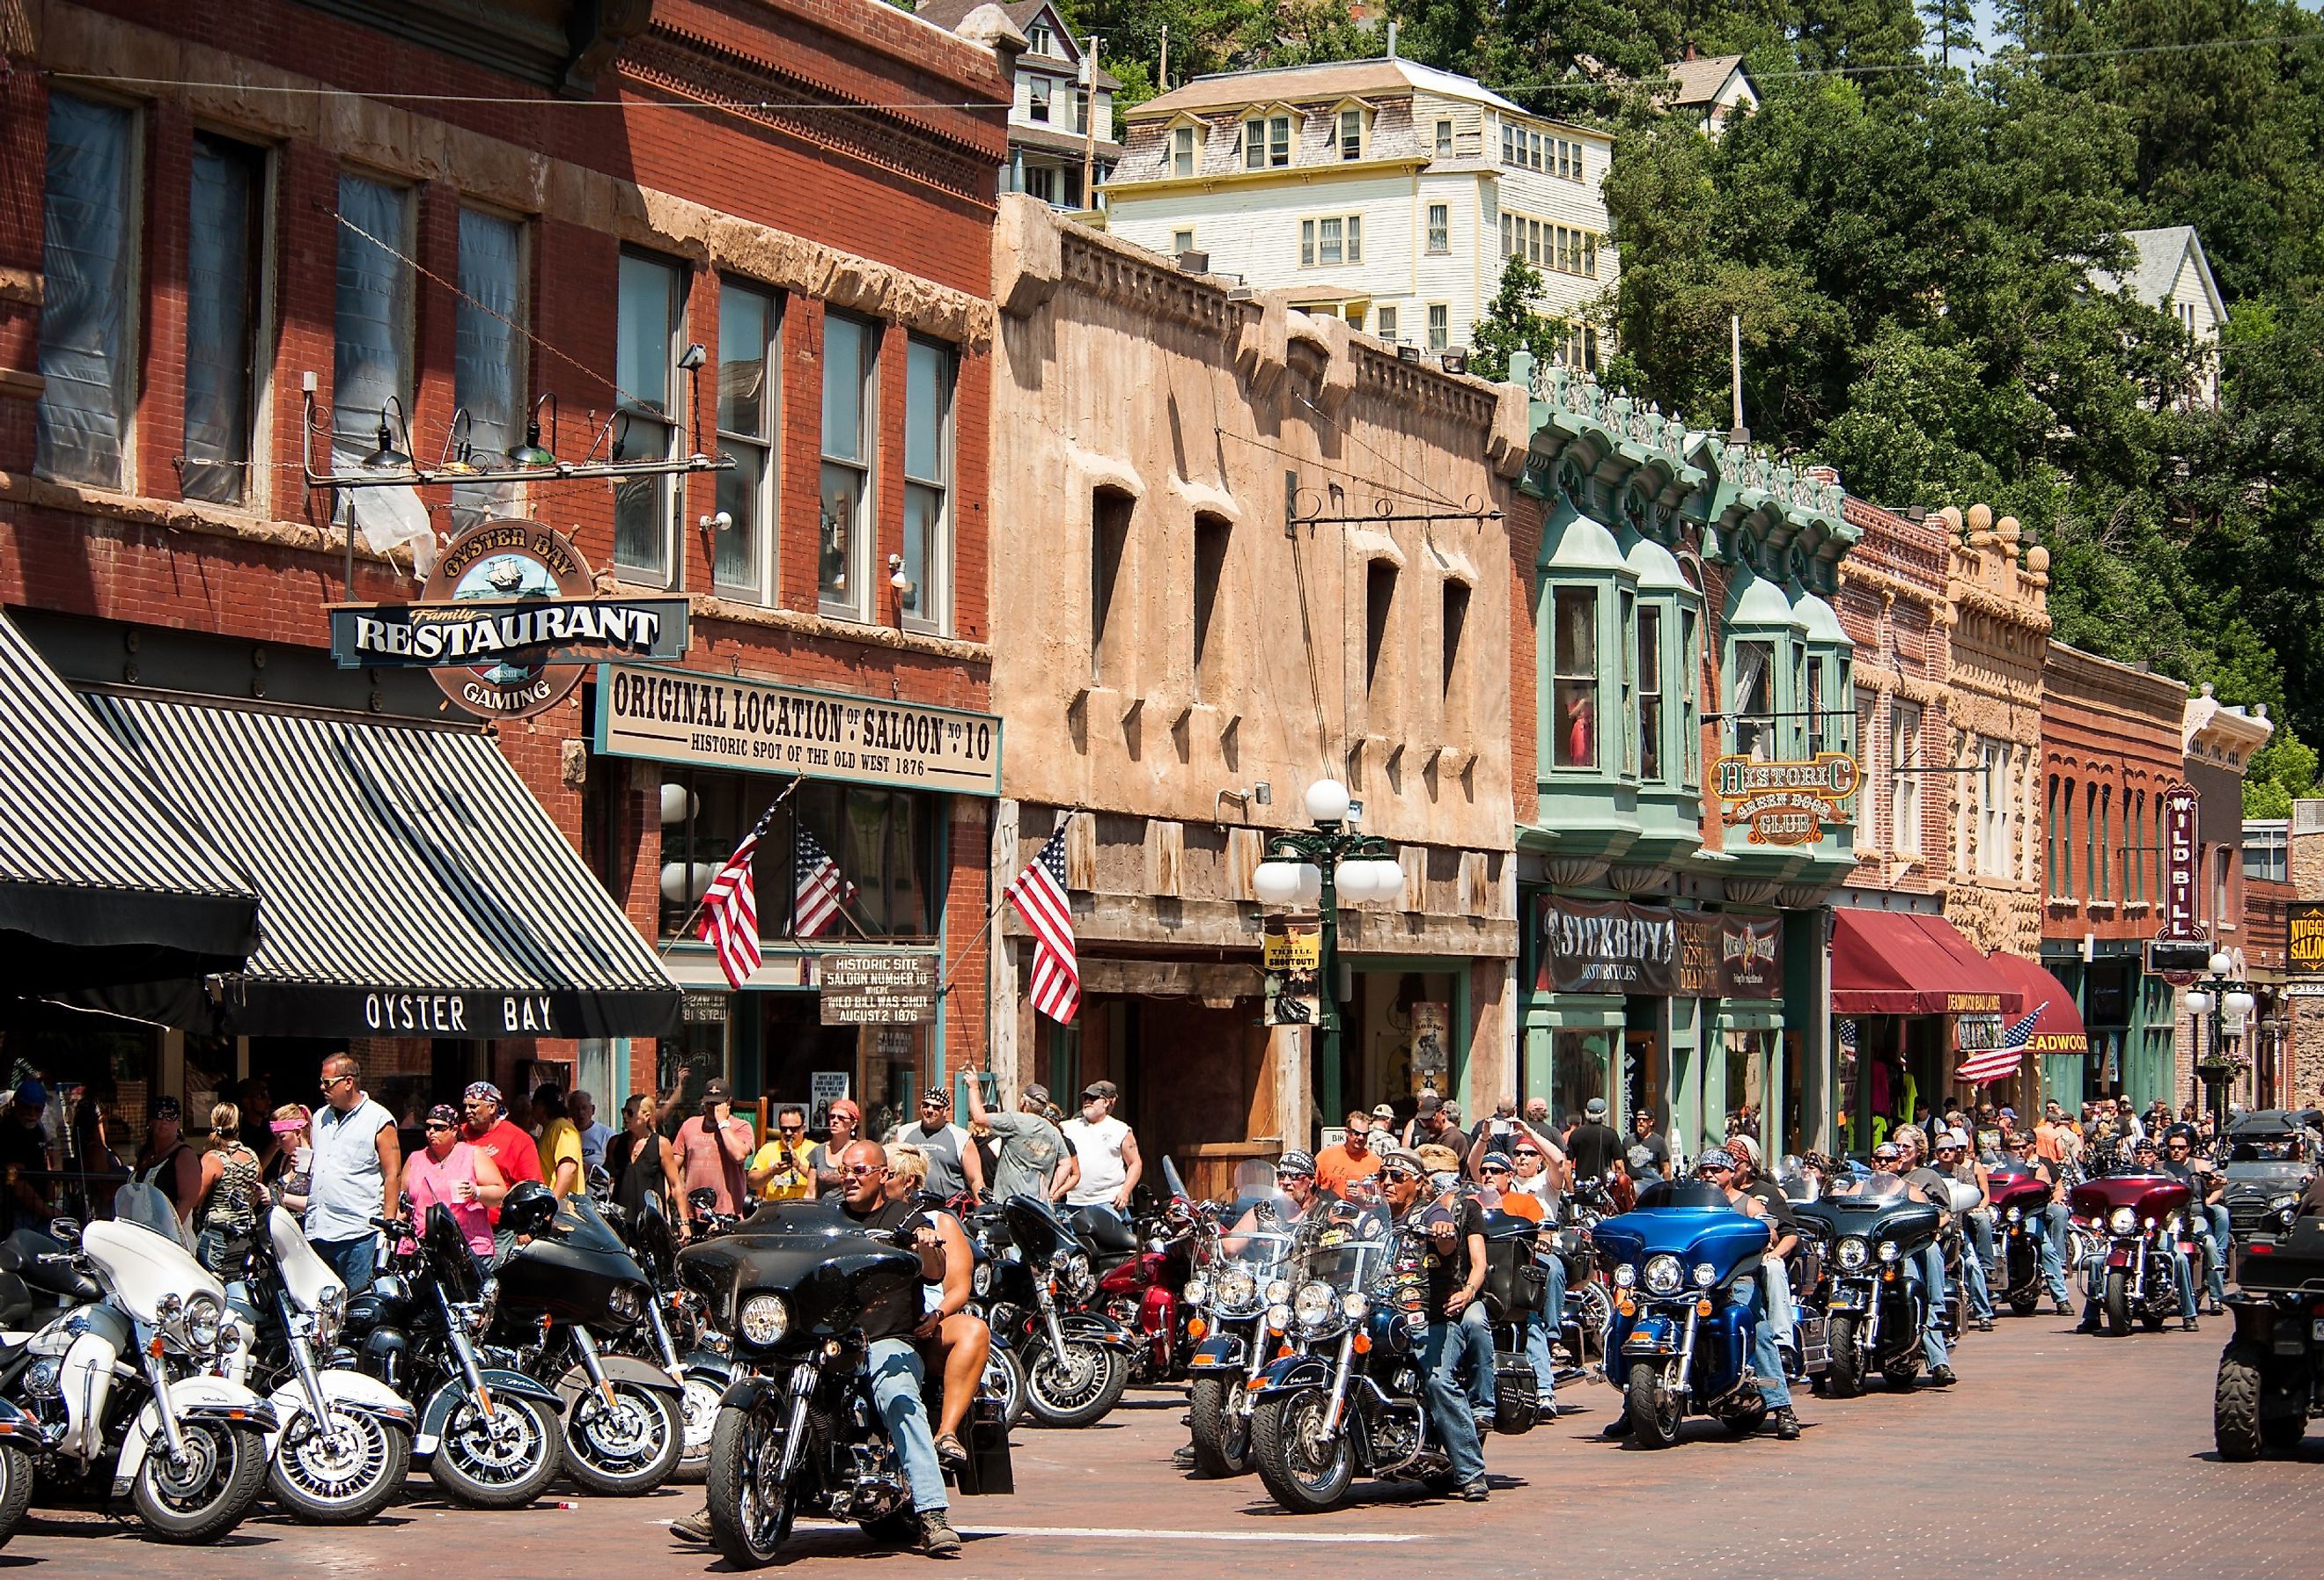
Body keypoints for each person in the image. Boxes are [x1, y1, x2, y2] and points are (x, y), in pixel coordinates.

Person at [1375, 1147, 1489, 1501]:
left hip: (1429, 1318)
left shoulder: (1433, 1212)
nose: (1387, 1183)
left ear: (1419, 1182)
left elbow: (1446, 1242)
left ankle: (1470, 1471)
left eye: (1397, 1177)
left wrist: (1443, 1233)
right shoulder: (1373, 1219)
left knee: (1439, 1380)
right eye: (1383, 1176)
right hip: (1379, 1318)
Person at [880, 1142, 989, 1473]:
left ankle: (946, 1433)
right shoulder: (853, 1214)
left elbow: (958, 1286)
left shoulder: (939, 1222)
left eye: (887, 1174)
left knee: (974, 1330)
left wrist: (937, 1315)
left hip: (923, 1325)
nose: (877, 1179)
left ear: (908, 1182)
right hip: (869, 1326)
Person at [306, 1055, 401, 1291]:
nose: (321, 1087)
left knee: (357, 1310)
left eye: (327, 1082)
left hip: (358, 1235)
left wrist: (387, 1228)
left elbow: (393, 1174)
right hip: (318, 1231)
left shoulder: (379, 1119)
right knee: (321, 1310)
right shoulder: (320, 1118)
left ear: (348, 1082)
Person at [401, 1103, 506, 1268]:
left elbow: (500, 1194)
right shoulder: (415, 1159)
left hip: (469, 1248)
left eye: (439, 1127)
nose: (432, 1132)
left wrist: (476, 1192)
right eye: (428, 1127)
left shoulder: (472, 1154)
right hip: (425, 1249)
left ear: (454, 1130)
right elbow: (404, 1205)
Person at [962, 1079, 1077, 1203]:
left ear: (1023, 1102)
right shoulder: (1053, 1131)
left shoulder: (1015, 1121)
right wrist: (1051, 1193)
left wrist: (973, 1087)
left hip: (1010, 1204)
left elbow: (979, 1119)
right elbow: (1066, 1164)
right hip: (1039, 1207)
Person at [189, 1100, 265, 1284]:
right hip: (244, 1235)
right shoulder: (252, 1157)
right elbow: (254, 1198)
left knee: (212, 1285)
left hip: (217, 1235)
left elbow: (195, 1198)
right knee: (238, 1284)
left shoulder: (213, 1158)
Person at [2159, 1131, 2225, 1326]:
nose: (2176, 1151)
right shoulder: (2161, 1168)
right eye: (2172, 1147)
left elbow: (2218, 1182)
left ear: (2189, 1148)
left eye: (2181, 1147)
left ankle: (2216, 1297)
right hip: (2169, 1217)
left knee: (2211, 1245)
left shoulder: (2200, 1165)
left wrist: (2210, 1197)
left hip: (2195, 1215)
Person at [1933, 1128, 1996, 1332]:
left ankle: (1984, 1312)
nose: (1947, 1153)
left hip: (1958, 1229)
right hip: (1935, 1231)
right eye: (1942, 1150)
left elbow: (1975, 1197)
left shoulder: (1965, 1174)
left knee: (1972, 1265)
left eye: (1951, 1149)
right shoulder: (1930, 1174)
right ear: (1936, 1153)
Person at [675, 1078, 755, 1222]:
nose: (713, 1108)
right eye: (709, 1103)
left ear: (728, 1102)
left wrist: (722, 1123)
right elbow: (675, 1168)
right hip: (694, 1214)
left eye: (717, 1103)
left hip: (728, 1215)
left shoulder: (740, 1126)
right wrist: (682, 1217)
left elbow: (738, 1155)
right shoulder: (689, 1125)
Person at [459, 1083, 545, 1215]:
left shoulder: (519, 1139)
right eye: (465, 1106)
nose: (467, 1111)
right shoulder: (457, 1134)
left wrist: (525, 1230)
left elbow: (532, 1187)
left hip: (500, 1228)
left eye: (473, 1106)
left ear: (492, 1108)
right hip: (461, 1222)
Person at [1060, 1081, 1142, 1220]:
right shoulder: (1067, 1128)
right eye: (1085, 1098)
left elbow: (1135, 1163)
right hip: (1073, 1203)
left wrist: (1125, 1192)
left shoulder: (1120, 1129)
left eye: (1093, 1098)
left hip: (1108, 1203)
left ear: (1105, 1102)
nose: (1088, 1102)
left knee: (1115, 1242)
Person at [891, 1088, 983, 1203]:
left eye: (936, 1107)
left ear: (946, 1110)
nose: (929, 1110)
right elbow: (892, 1170)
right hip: (910, 1207)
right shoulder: (903, 1133)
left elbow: (975, 1179)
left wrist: (981, 1204)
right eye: (926, 1105)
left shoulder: (961, 1137)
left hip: (948, 1208)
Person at [609, 1092, 684, 1220]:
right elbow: (608, 1178)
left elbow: (675, 1185)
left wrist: (684, 1222)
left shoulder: (661, 1144)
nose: (625, 1116)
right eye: (623, 1111)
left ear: (646, 1116)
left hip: (650, 1221)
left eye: (630, 1112)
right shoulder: (615, 1143)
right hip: (619, 1219)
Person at [0, 1081, 53, 1233]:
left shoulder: (38, 1130)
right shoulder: (8, 1131)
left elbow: (47, 1167)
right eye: (27, 1108)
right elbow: (18, 1185)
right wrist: (48, 1212)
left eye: (38, 1109)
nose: (32, 1114)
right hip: (16, 1213)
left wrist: (48, 1205)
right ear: (17, 1105)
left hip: (39, 1211)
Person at [746, 1105, 818, 1202]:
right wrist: (772, 1171)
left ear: (803, 1128)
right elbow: (752, 1182)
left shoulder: (816, 1150)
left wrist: (799, 1167)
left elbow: (824, 1182)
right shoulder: (768, 1149)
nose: (788, 1133)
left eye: (793, 1129)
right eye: (784, 1129)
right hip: (775, 1213)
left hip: (805, 1212)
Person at [533, 1081, 584, 1197]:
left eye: (533, 1104)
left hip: (563, 1209)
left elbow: (569, 1167)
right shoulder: (551, 1129)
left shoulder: (562, 1128)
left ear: (540, 1106)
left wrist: (554, 1202)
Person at [1315, 1113, 1383, 1197]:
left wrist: (1364, 1196)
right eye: (1356, 1133)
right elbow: (1311, 1188)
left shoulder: (1377, 1162)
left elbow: (1381, 1198)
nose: (1361, 1137)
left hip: (1363, 1209)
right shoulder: (1324, 1157)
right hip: (1331, 1208)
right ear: (1347, 1132)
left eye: (1365, 1134)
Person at [810, 1099, 864, 1198]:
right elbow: (810, 1193)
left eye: (841, 1118)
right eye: (832, 1117)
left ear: (853, 1124)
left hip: (852, 1210)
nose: (835, 1121)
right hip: (824, 1210)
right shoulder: (818, 1152)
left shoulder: (861, 1151)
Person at [264, 1105, 313, 1213]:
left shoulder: (315, 1160)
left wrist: (277, 1197)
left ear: (298, 1133)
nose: (277, 1143)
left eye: (282, 1137)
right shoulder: (285, 1160)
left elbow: (317, 1203)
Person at [1565, 1096, 1623, 1182]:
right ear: (1604, 1114)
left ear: (1586, 1113)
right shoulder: (1611, 1134)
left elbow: (1567, 1164)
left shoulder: (1576, 1134)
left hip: (1581, 1187)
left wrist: (1570, 1189)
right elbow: (1619, 1165)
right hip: (1604, 1187)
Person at [570, 1090, 615, 1178]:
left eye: (584, 1108)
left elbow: (614, 1172)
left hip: (597, 1190)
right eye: (576, 1108)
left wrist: (590, 1170)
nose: (580, 1113)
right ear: (570, 1112)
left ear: (593, 1110)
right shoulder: (565, 1134)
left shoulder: (607, 1135)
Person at [1629, 1107, 1672, 1179]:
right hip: (1632, 1185)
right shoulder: (1628, 1140)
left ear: (1651, 1122)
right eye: (1638, 1119)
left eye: (1644, 1119)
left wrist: (1666, 1187)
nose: (1641, 1122)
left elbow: (1666, 1168)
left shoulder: (1658, 1141)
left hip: (1651, 1186)